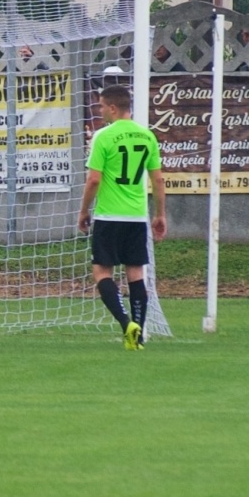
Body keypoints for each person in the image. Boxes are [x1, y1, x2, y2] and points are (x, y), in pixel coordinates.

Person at [77, 84, 167, 350]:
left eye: (102, 106)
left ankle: (126, 323)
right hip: (137, 217)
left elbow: (94, 180)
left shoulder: (103, 136)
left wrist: (84, 211)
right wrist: (160, 215)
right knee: (136, 273)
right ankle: (138, 337)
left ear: (113, 108)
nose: (100, 110)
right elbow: (158, 180)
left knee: (101, 272)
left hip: (109, 216)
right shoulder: (147, 136)